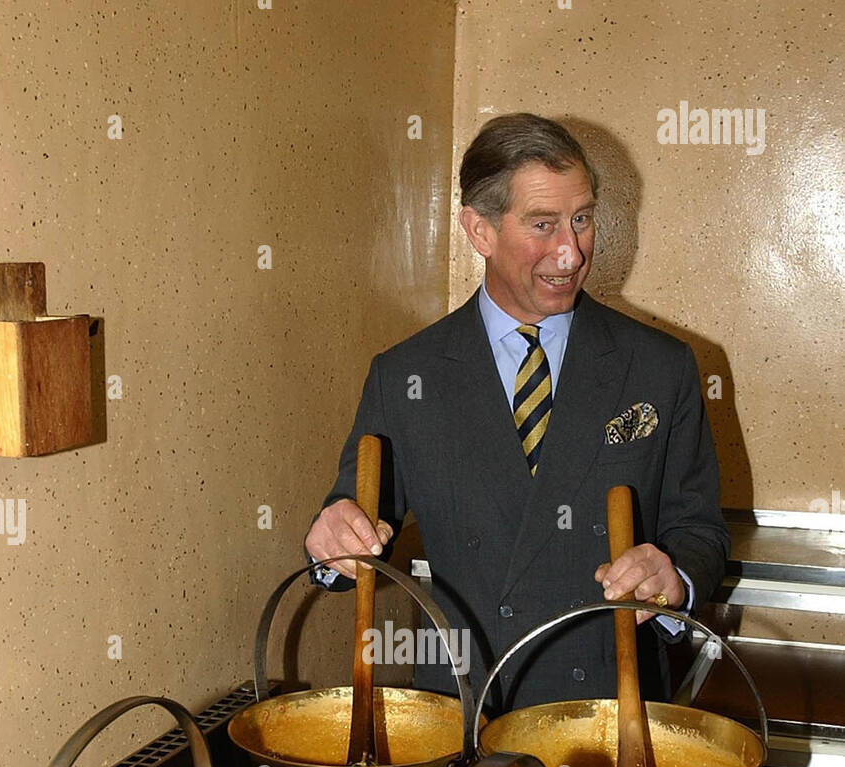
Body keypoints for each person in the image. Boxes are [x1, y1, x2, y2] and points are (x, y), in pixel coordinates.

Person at [305, 113, 729, 711]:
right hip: (463, 709)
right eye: (543, 224)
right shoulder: (406, 374)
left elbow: (700, 530)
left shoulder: (659, 367)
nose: (571, 251)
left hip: (609, 712)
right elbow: (354, 515)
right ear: (479, 231)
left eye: (581, 219)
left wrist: (676, 580)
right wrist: (331, 539)